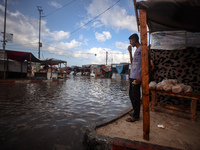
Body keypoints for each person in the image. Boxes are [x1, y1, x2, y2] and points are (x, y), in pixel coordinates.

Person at [126, 33, 142, 122]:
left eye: (131, 41)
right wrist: (130, 52)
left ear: (135, 40)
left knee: (135, 96)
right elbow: (132, 63)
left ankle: (136, 116)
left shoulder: (141, 49)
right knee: (131, 95)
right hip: (132, 76)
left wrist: (141, 77)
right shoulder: (136, 50)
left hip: (137, 77)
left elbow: (145, 63)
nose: (130, 43)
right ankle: (135, 112)